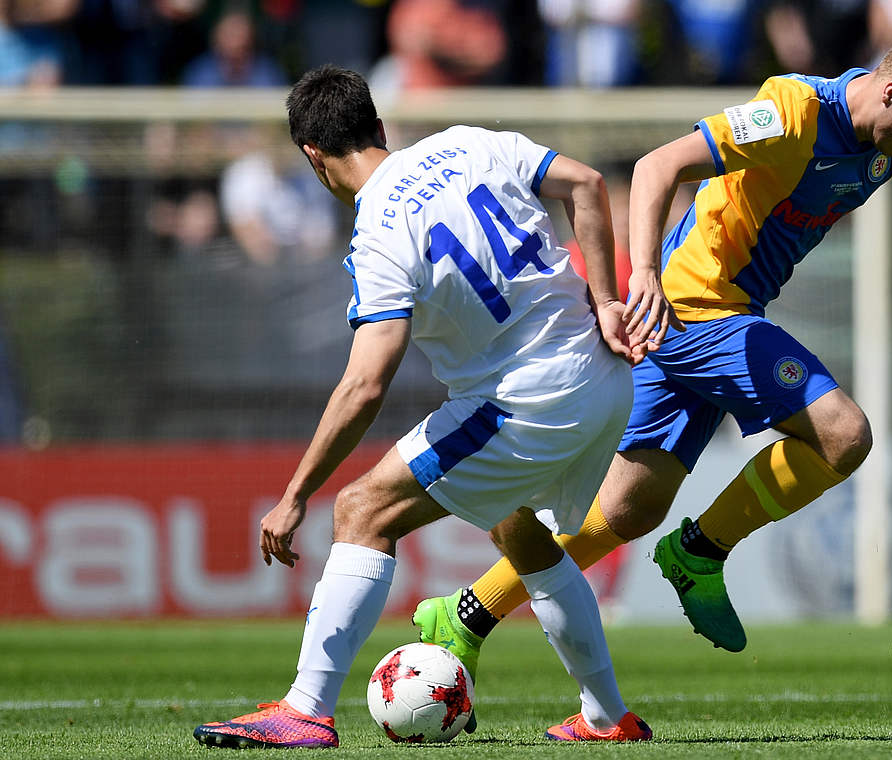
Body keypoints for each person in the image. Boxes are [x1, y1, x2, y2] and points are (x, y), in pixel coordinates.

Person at [411, 30, 892, 668]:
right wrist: (639, 272)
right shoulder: (792, 113)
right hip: (697, 307)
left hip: (713, 317)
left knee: (623, 511)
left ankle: (466, 615)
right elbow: (655, 167)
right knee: (844, 433)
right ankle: (701, 550)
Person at [191, 64, 653, 748]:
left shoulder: (378, 230)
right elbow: (585, 184)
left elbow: (365, 383)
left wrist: (295, 494)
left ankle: (305, 708)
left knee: (360, 510)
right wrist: (609, 301)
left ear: (313, 159)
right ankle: (608, 717)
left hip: (527, 400)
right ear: (379, 128)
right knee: (517, 532)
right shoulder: (465, 142)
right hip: (605, 376)